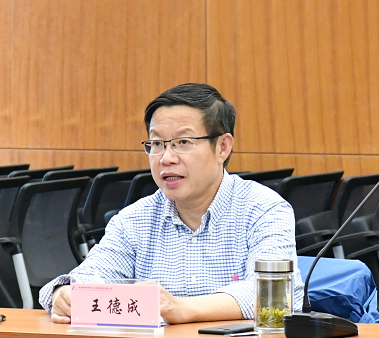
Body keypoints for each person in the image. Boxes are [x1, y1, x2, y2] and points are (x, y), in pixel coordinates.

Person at [39, 83, 303, 323]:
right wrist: (65, 293)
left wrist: (182, 308)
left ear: (222, 147)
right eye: (157, 143)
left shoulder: (264, 209)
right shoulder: (134, 219)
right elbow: (91, 275)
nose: (166, 158)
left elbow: (273, 295)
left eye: (183, 142)